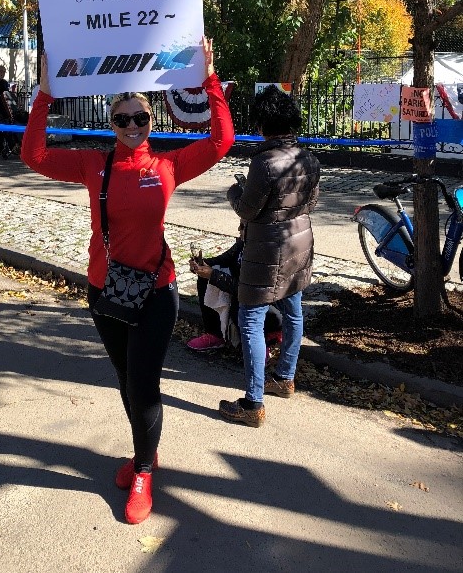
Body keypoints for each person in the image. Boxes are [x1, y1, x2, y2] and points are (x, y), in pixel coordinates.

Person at [21, 37, 234, 524]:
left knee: (144, 384)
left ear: (152, 123)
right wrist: (46, 94)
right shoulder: (94, 164)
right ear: (111, 124)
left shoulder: (169, 165)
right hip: (106, 289)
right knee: (124, 379)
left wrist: (208, 78)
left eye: (140, 118)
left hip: (157, 292)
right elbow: (32, 155)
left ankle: (142, 469)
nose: (132, 126)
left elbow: (222, 141)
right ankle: (146, 446)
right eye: (122, 119)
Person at [219, 85, 320, 428]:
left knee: (250, 320)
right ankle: (285, 377)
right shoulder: (309, 157)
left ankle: (252, 403)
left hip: (266, 250)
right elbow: (311, 202)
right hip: (299, 243)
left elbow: (248, 210)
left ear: (263, 123)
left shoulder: (263, 162)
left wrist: (235, 190)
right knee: (293, 311)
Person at [187, 221, 283, 356]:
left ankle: (264, 343)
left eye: (243, 226)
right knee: (206, 277)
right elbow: (222, 260)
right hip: (243, 297)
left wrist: (213, 275)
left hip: (266, 308)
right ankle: (215, 334)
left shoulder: (265, 254)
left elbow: (248, 290)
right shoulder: (243, 244)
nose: (238, 229)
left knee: (239, 299)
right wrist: (202, 264)